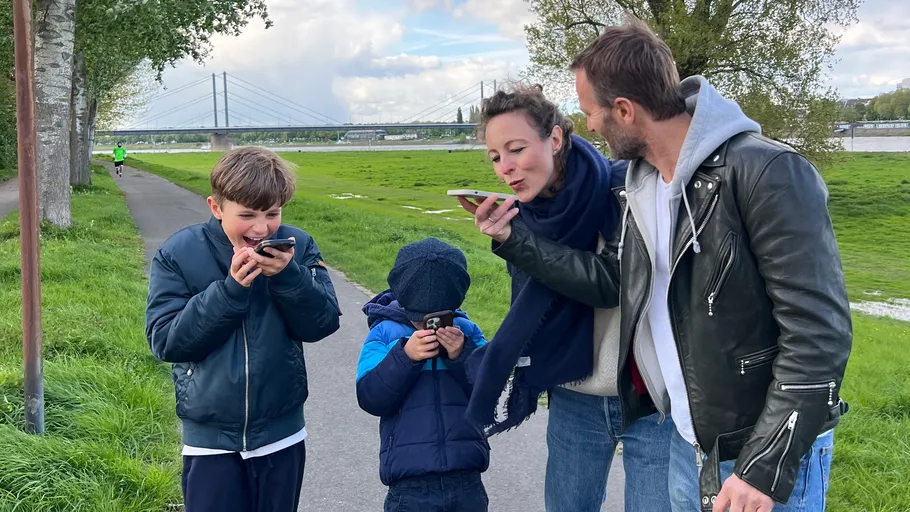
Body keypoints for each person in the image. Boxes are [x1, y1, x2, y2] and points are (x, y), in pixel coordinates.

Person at [468, 16, 852, 512]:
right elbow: (613, 281)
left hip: (758, 455)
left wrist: (764, 465)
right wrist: (514, 239)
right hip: (683, 442)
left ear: (624, 110)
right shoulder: (639, 185)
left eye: (591, 112)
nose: (587, 125)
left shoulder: (768, 171)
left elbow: (819, 334)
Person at [457, 85, 672, 512]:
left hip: (649, 396)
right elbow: (535, 303)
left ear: (555, 138)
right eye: (496, 157)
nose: (506, 168)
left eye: (516, 149)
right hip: (575, 394)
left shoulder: (623, 189)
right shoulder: (527, 213)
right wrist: (511, 237)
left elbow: (610, 283)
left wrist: (514, 241)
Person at [145, 147, 342, 512]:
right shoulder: (178, 254)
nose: (261, 228)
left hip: (282, 434)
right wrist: (229, 290)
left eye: (272, 214)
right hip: (211, 440)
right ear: (216, 207)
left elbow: (323, 323)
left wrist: (289, 276)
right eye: (247, 214)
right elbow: (167, 341)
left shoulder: (297, 248)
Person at [355, 237, 490, 512]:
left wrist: (460, 356)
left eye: (438, 317)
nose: (426, 327)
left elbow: (489, 393)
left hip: (467, 480)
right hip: (410, 486)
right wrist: (405, 357)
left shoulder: (468, 332)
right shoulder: (384, 333)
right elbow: (370, 397)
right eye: (419, 318)